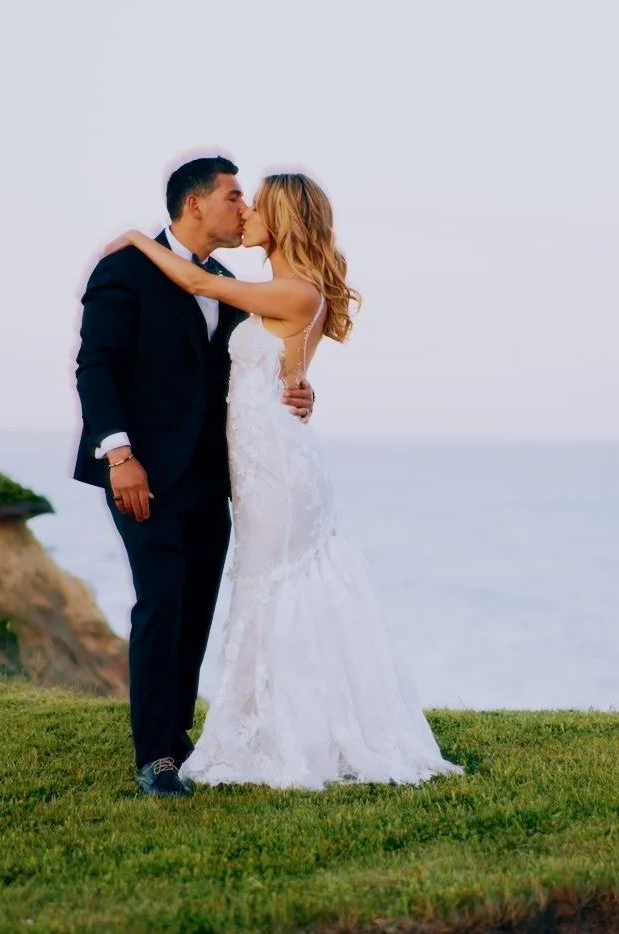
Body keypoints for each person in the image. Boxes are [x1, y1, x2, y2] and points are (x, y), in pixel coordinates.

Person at [105, 172, 462, 790]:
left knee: (273, 589)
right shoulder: (276, 289)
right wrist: (295, 384)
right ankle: (267, 724)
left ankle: (286, 733)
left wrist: (138, 236)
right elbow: (262, 364)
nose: (245, 214)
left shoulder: (290, 291)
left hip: (276, 462)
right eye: (238, 199)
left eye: (257, 205)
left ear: (284, 220)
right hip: (257, 457)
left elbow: (193, 280)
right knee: (264, 589)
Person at [72, 156, 315, 796]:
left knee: (197, 609)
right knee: (162, 602)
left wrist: (296, 386)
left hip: (217, 477)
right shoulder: (124, 268)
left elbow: (250, 369)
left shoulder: (224, 280)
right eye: (236, 197)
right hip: (142, 473)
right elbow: (94, 367)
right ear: (195, 205)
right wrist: (119, 456)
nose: (245, 210)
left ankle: (178, 738)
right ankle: (154, 755)